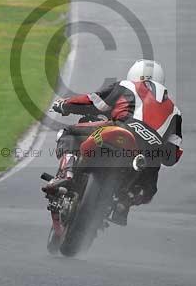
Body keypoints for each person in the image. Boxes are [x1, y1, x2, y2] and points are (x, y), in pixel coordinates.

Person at [46, 59, 183, 225]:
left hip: (120, 128)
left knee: (68, 133)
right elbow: (172, 155)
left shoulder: (127, 85)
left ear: (134, 74)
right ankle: (125, 202)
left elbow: (94, 101)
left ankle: (66, 173)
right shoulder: (175, 111)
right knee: (150, 182)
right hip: (145, 153)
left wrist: (64, 105)